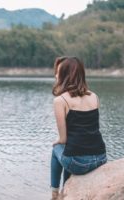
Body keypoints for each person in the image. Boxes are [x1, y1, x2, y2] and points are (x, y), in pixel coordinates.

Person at [50, 56, 107, 200]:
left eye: (58, 72)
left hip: (79, 163)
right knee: (70, 150)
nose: (56, 75)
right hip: (101, 157)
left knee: (56, 149)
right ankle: (65, 190)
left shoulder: (60, 101)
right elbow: (91, 131)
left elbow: (63, 139)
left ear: (64, 75)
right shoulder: (95, 96)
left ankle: (55, 194)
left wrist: (57, 142)